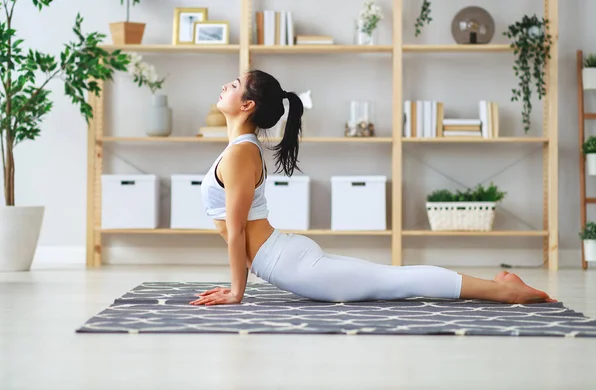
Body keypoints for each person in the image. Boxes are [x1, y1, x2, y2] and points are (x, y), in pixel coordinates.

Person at [190, 69, 557, 306]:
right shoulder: (240, 150)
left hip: (293, 265)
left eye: (234, 85)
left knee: (396, 281)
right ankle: (500, 286)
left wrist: (237, 293)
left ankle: (506, 292)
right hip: (288, 258)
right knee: (392, 278)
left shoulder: (240, 154)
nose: (226, 85)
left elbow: (237, 231)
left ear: (248, 104)